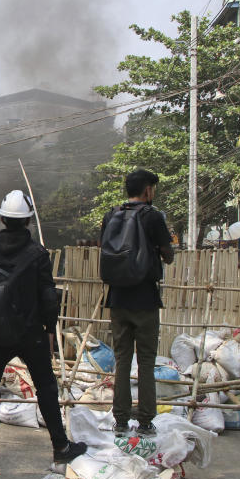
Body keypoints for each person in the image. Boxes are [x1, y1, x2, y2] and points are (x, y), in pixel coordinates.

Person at [0, 190, 86, 469]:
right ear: (28, 221)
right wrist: (49, 328)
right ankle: (61, 446)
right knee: (46, 388)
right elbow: (49, 297)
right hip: (30, 333)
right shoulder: (38, 254)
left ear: (3, 218)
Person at [100, 169, 174, 438]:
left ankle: (119, 421)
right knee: (146, 361)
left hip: (117, 298)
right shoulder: (152, 216)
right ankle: (144, 422)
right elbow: (168, 255)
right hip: (145, 298)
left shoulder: (111, 215)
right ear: (148, 190)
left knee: (121, 360)